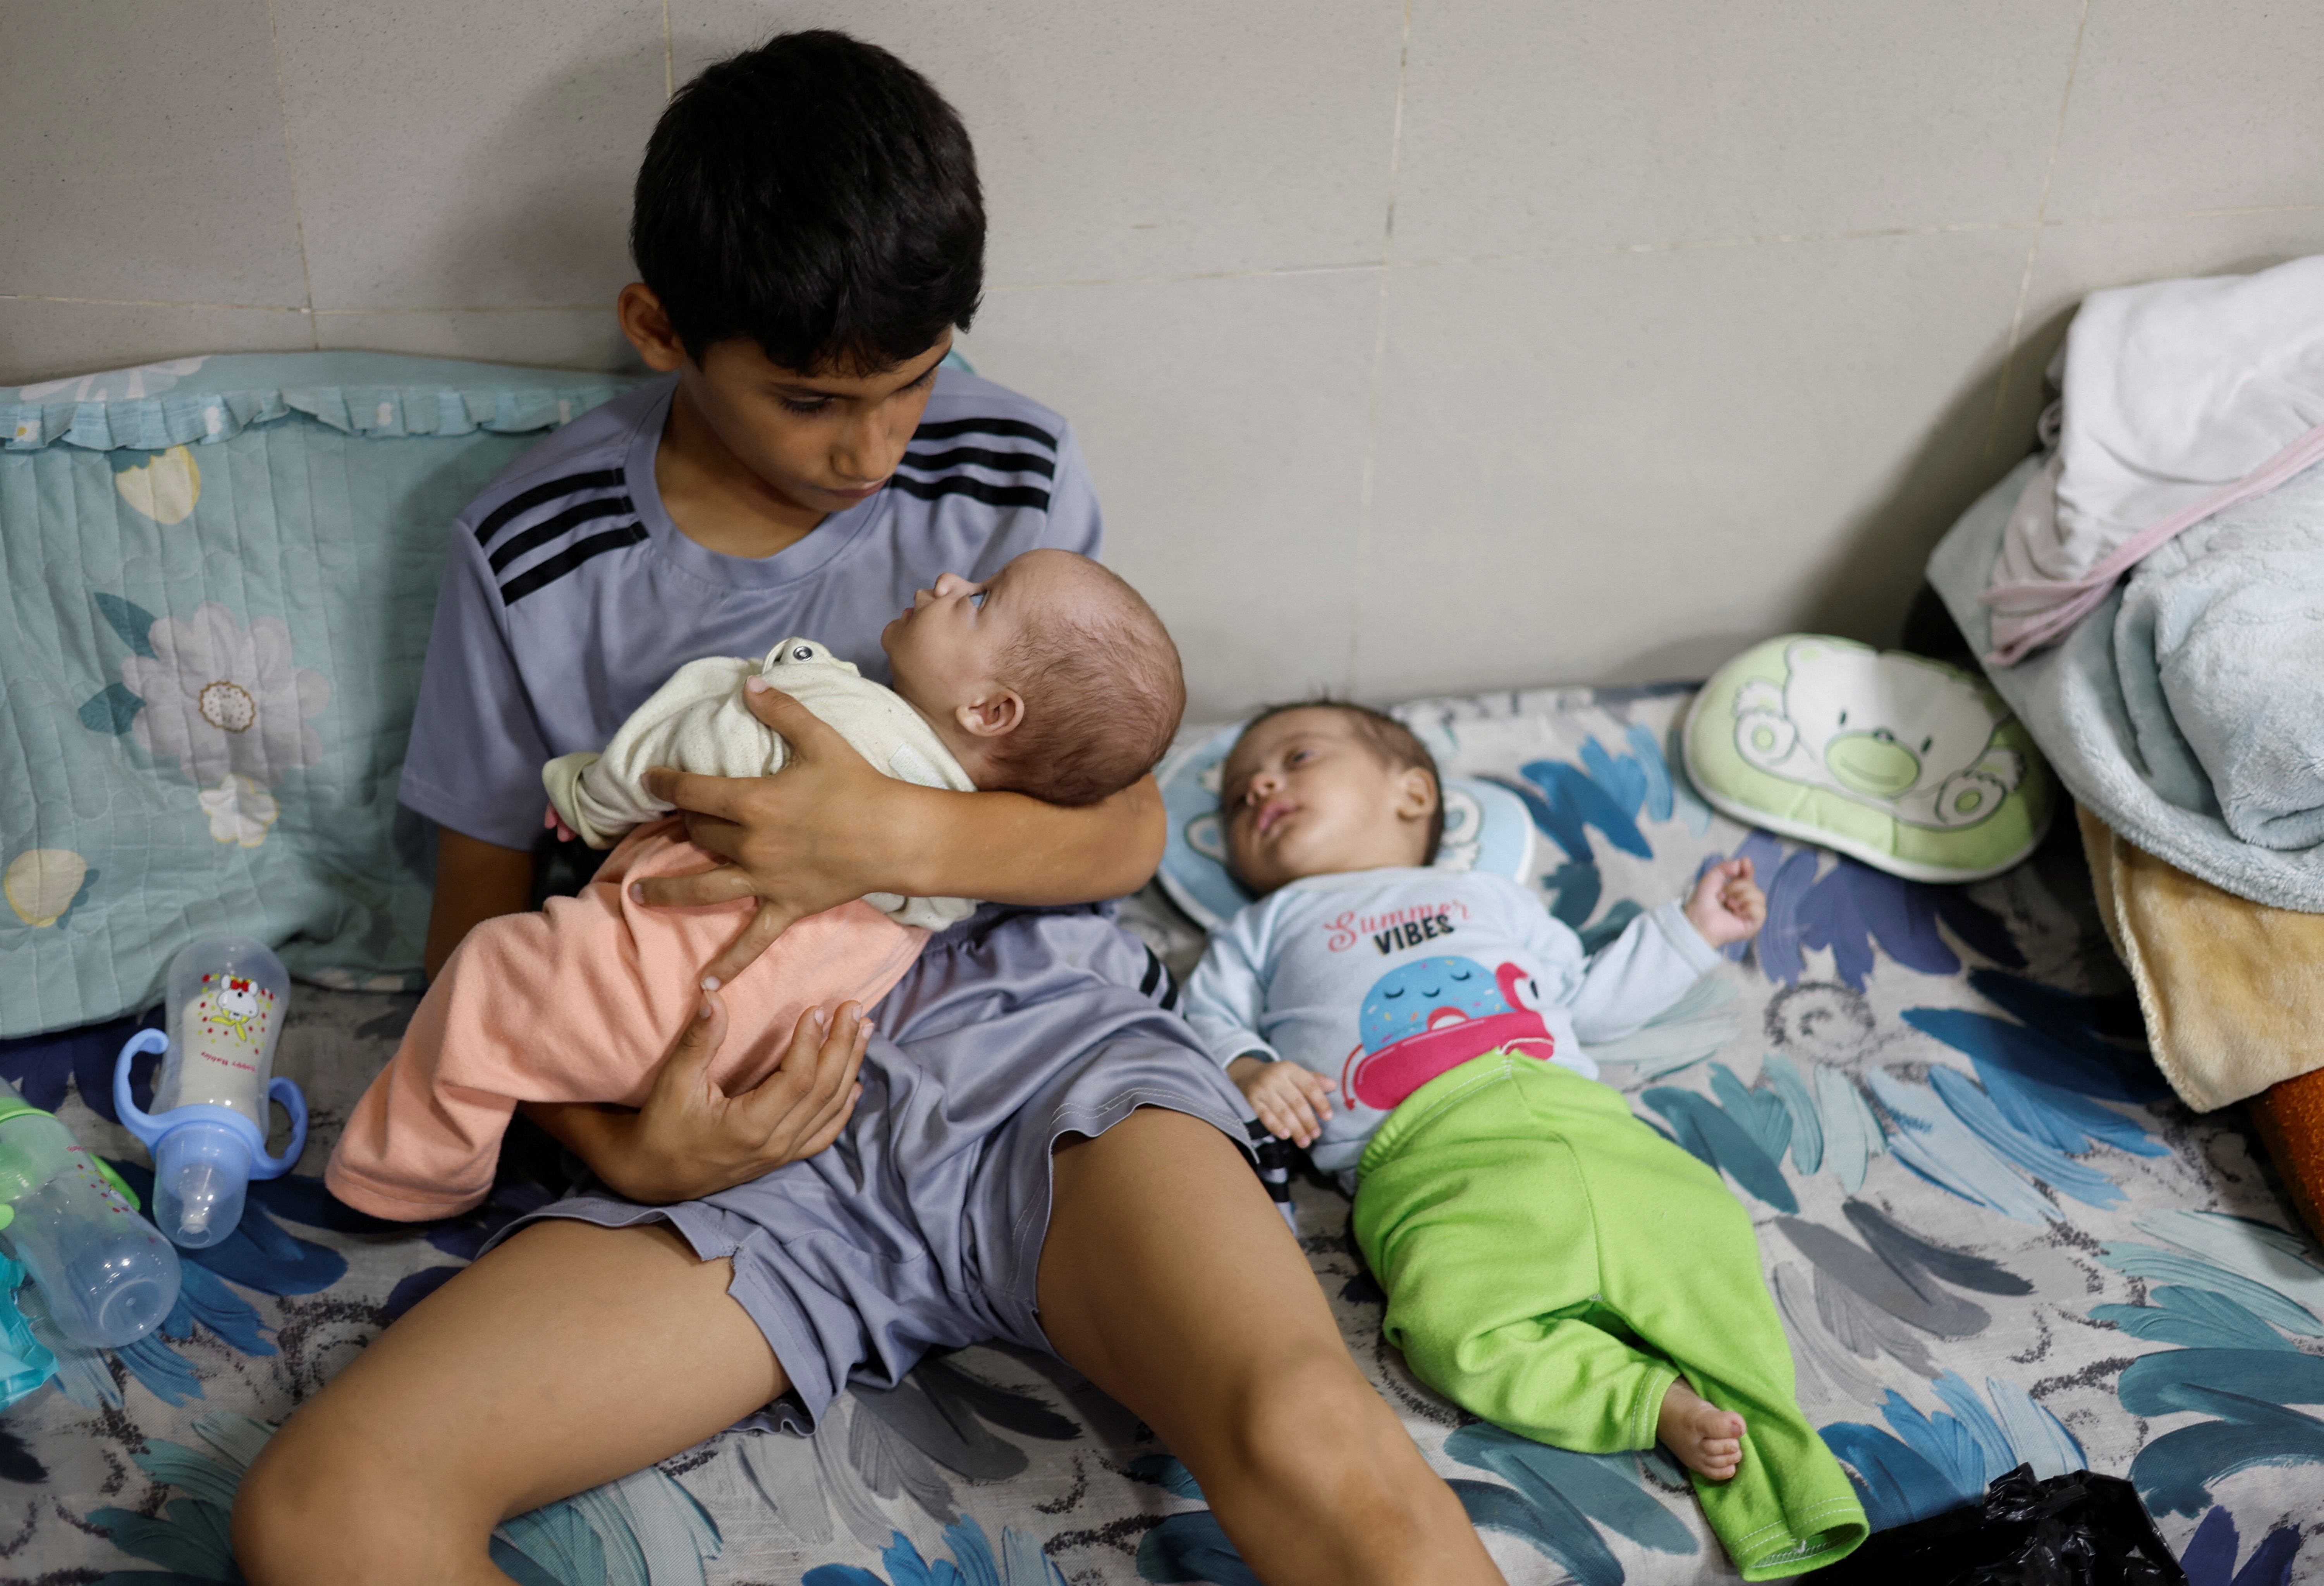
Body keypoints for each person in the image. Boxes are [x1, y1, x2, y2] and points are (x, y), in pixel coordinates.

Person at [231, 31, 1506, 1586]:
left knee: (1314, 1427)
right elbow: (475, 936)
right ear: (658, 330)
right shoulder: (540, 548)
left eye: (910, 384)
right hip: (732, 1129)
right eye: (813, 399)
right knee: (325, 1508)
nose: (875, 450)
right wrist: (629, 1149)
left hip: (1040, 1051)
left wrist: (885, 843)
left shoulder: (1011, 465)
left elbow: (1120, 834)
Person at [1183, 702, 1869, 1581]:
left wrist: (1692, 930)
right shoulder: (1264, 926)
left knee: (1710, 1245)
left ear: (1413, 791)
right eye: (1240, 797)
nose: (1260, 789)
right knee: (1446, 1329)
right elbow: (1201, 1020)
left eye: (1295, 757)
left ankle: (1790, 1489)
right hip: (1429, 1165)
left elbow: (1585, 1001)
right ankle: (1645, 1400)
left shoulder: (1487, 897)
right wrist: (1248, 1068)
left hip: (1587, 1126)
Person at [325, 549, 1185, 1221]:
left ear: (991, 711)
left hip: (643, 993)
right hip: (755, 1057)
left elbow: (694, 749)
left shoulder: (841, 717)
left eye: (980, 598)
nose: (950, 580)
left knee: (484, 975)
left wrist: (592, 793)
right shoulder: (975, 840)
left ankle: (413, 1176)